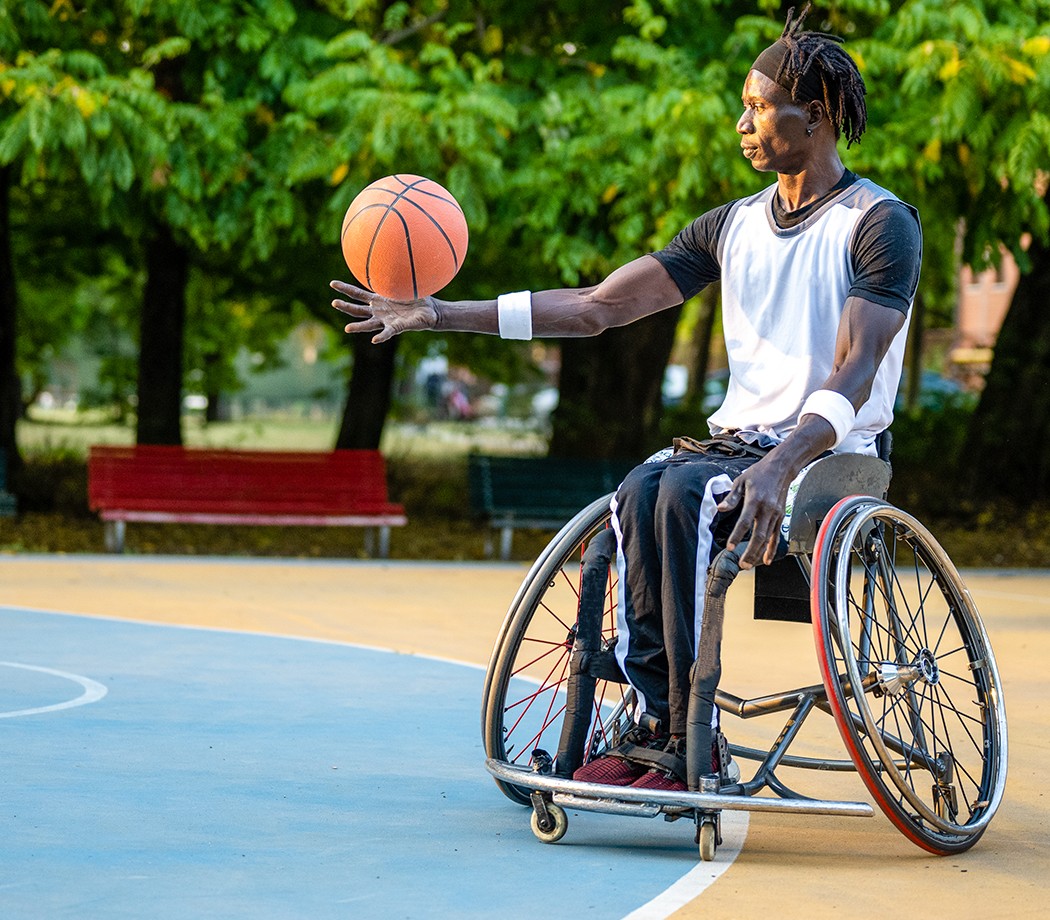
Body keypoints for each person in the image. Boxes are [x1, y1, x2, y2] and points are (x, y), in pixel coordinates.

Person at [330, 5, 921, 792]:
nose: (740, 123)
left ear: (812, 115)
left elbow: (855, 370)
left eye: (755, 106)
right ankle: (657, 719)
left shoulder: (878, 223)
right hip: (742, 445)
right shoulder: (732, 226)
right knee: (641, 487)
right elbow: (598, 305)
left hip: (830, 455)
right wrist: (439, 314)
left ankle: (691, 739)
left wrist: (779, 465)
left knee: (679, 493)